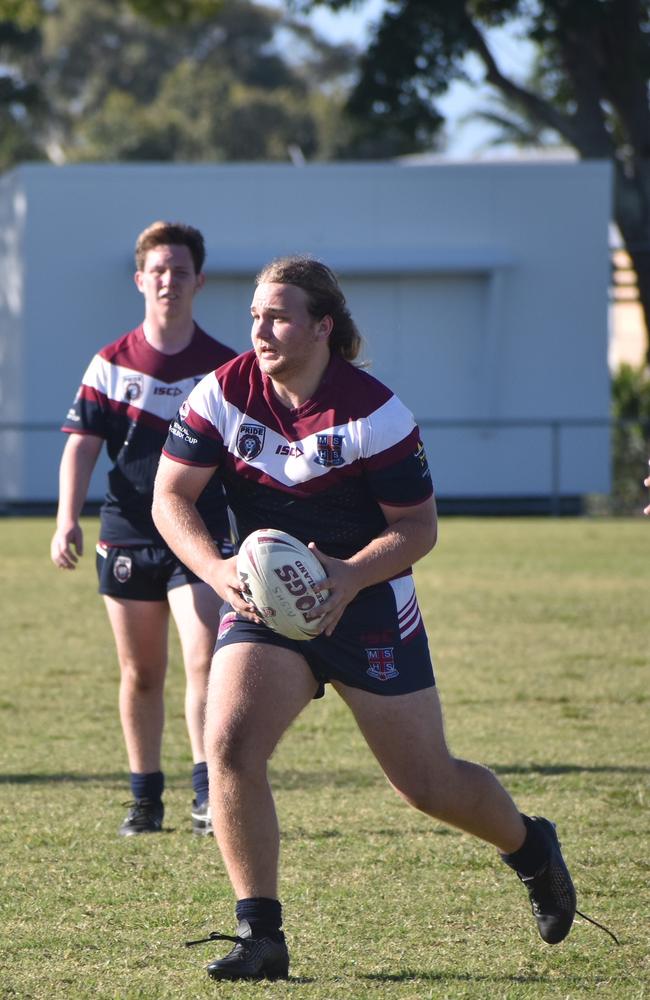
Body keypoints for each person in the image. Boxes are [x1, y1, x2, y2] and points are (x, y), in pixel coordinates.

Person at [151, 255, 577, 981]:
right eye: (254, 315)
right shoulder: (222, 394)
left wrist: (347, 576)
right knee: (228, 745)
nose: (260, 329)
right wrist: (221, 572)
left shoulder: (375, 412)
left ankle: (531, 847)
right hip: (263, 607)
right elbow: (170, 497)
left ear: (323, 326)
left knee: (426, 784)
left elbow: (417, 527)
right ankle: (261, 937)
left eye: (278, 316)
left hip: (369, 602)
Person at [51, 220, 237, 837]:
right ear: (140, 280)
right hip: (127, 532)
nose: (168, 281)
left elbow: (248, 454)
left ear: (198, 281)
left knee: (206, 657)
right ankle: (144, 799)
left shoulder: (223, 369)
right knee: (141, 673)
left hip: (199, 534)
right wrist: (64, 521)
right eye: (158, 270)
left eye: (180, 271)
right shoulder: (110, 364)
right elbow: (80, 447)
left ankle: (208, 793)